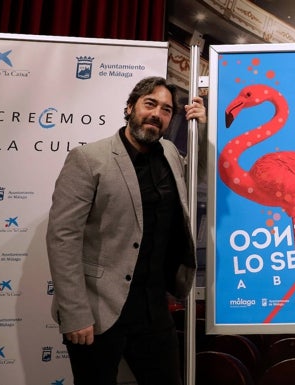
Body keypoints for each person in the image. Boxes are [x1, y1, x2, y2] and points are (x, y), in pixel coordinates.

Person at [46, 76, 207, 385]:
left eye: (166, 110)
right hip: (98, 310)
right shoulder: (89, 159)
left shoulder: (171, 154)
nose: (156, 114)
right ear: (130, 107)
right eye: (150, 104)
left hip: (154, 309)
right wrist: (76, 313)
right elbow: (62, 239)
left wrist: (202, 129)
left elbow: (200, 174)